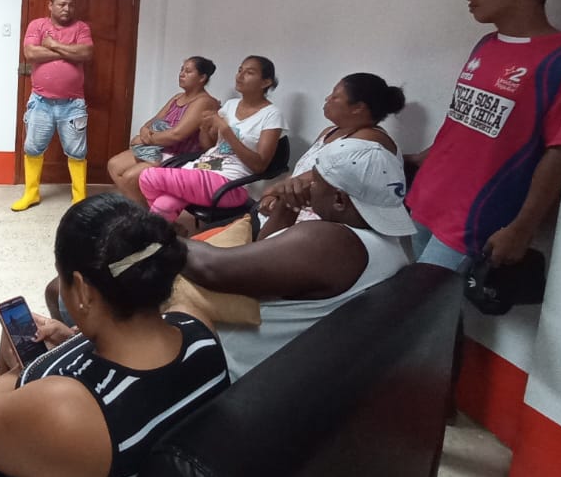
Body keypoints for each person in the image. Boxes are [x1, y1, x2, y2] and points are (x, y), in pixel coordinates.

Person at [0, 194, 228, 477]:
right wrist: (72, 340)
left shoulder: (68, 407)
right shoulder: (197, 327)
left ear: (82, 290)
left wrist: (27, 368)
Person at [405, 0, 561, 273]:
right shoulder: (486, 45)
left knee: (426, 296)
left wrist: (523, 226)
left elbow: (559, 149)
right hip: (428, 196)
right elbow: (465, 119)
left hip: (475, 215)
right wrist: (421, 158)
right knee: (417, 296)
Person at [171, 138, 412, 380]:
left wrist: (161, 234)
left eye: (315, 181)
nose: (308, 186)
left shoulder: (330, 242)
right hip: (288, 368)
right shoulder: (392, 245)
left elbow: (211, 269)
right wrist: (287, 207)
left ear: (339, 199)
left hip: (226, 368)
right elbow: (261, 253)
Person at [138, 56, 286, 225]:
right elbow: (208, 146)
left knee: (148, 176)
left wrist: (226, 130)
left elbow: (260, 166)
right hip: (202, 168)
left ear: (266, 82)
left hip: (230, 184)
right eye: (240, 70)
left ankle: (162, 231)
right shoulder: (230, 105)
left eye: (249, 72)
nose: (240, 75)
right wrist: (204, 127)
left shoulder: (272, 115)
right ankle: (163, 235)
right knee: (163, 206)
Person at [257, 72, 405, 231]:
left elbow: (322, 175)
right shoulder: (329, 132)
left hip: (323, 223)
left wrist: (274, 190)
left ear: (358, 107)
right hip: (290, 209)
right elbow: (301, 170)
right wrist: (275, 195)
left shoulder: (371, 139)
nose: (327, 98)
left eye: (335, 96)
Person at [11, 0, 95, 212]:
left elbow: (86, 53)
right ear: (50, 5)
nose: (67, 8)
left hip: (73, 104)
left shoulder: (81, 28)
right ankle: (31, 194)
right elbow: (31, 53)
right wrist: (69, 53)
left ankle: (79, 199)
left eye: (70, 5)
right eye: (61, 4)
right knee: (33, 148)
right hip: (41, 102)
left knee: (77, 152)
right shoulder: (37, 25)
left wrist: (53, 45)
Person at [107, 56, 221, 206]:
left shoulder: (204, 102)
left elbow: (177, 135)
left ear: (202, 78)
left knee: (129, 177)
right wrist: (144, 130)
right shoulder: (177, 97)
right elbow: (152, 122)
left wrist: (144, 139)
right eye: (181, 70)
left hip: (179, 155)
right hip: (159, 149)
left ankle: (147, 214)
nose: (182, 74)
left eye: (188, 71)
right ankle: (145, 210)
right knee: (114, 165)